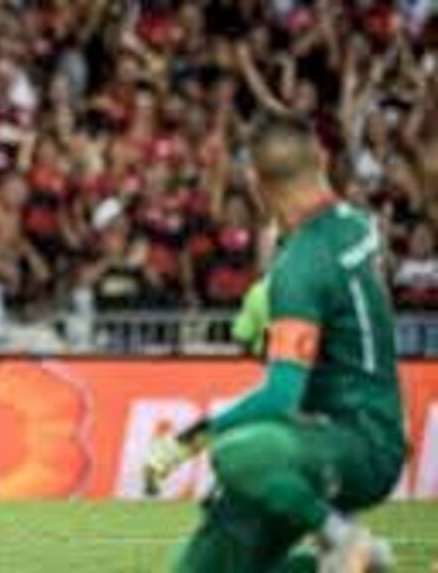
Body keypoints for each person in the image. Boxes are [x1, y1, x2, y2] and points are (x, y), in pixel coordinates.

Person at [143, 115, 406, 573]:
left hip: (348, 440)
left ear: (257, 183)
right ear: (320, 160)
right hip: (353, 433)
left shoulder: (299, 267)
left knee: (237, 453)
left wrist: (186, 441)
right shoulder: (359, 226)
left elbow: (282, 394)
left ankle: (343, 542)